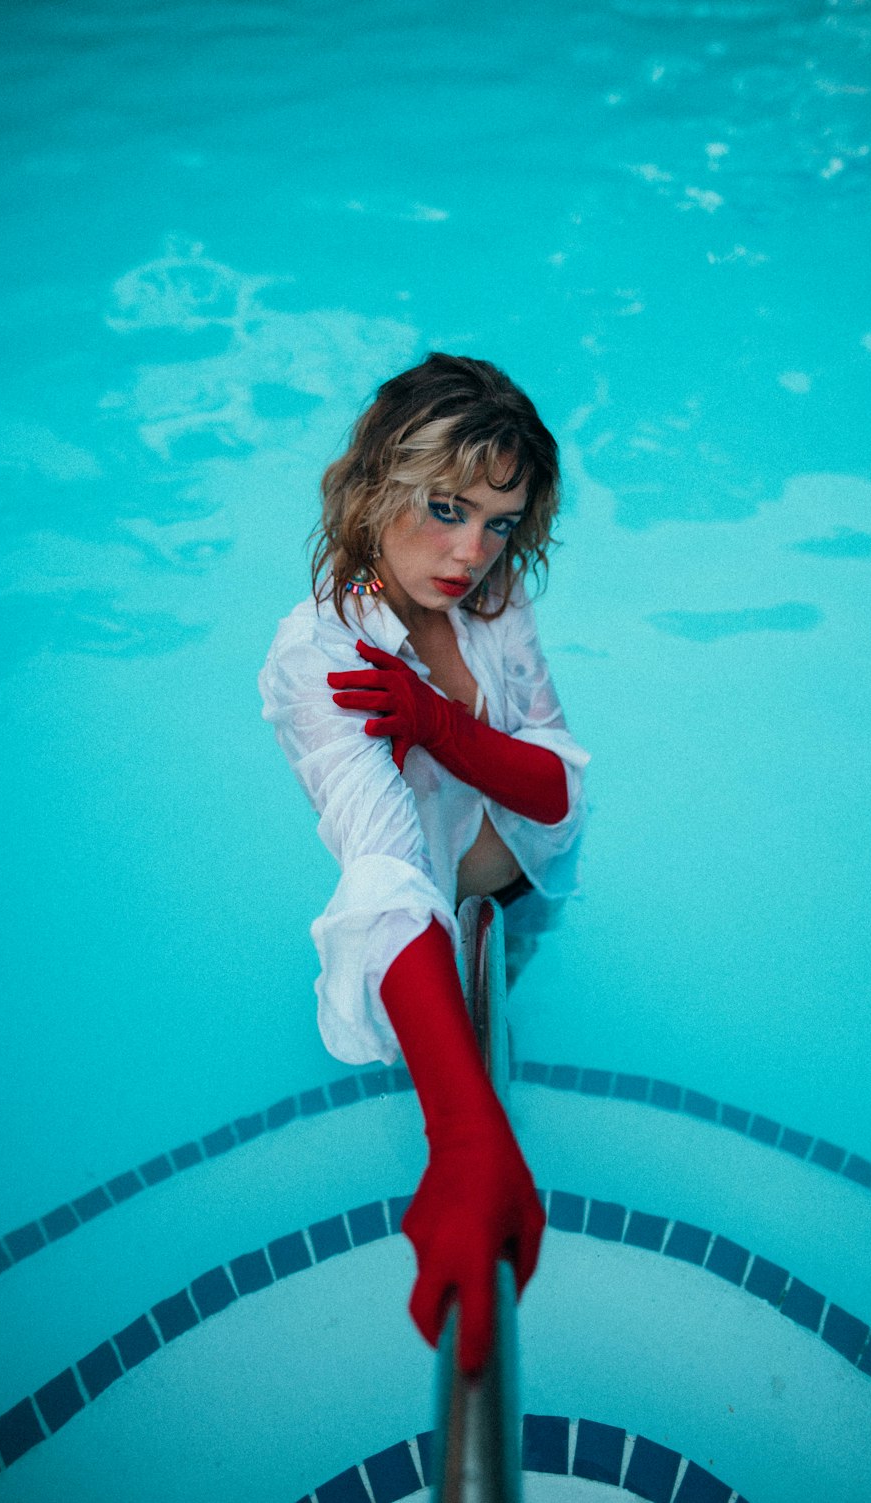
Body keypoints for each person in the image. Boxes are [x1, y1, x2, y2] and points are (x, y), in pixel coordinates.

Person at [258, 353, 590, 1376]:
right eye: (444, 507)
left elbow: (560, 792)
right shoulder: (323, 656)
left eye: (498, 521)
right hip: (434, 928)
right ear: (377, 488)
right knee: (466, 1050)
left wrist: (442, 727)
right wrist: (460, 1133)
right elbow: (386, 871)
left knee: (516, 990)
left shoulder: (495, 607)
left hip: (530, 885)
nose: (468, 552)